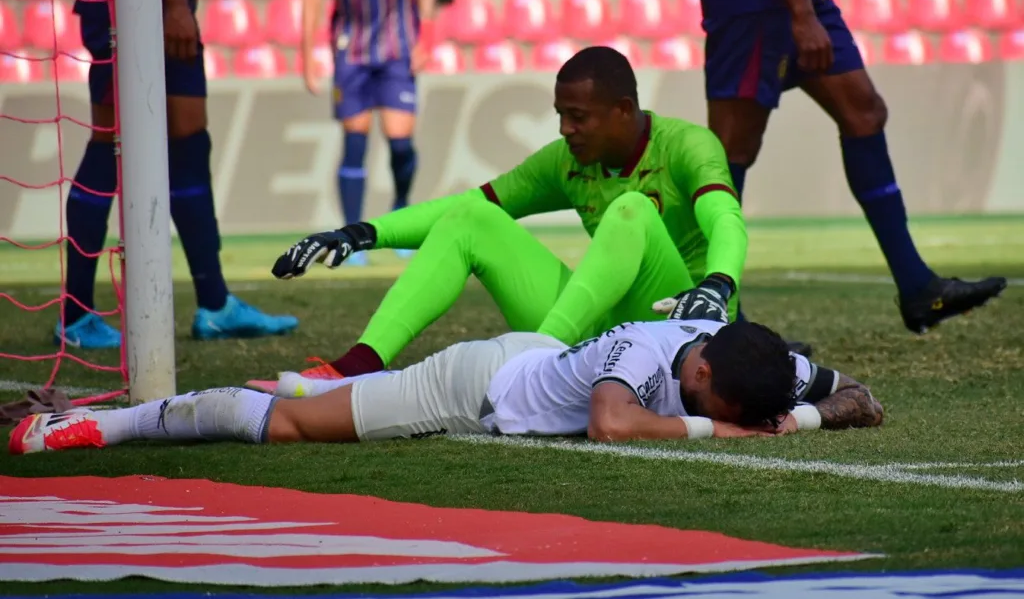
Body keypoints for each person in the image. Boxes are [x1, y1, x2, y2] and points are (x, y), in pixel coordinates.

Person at [252, 45, 808, 393]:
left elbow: (725, 217)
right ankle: (357, 367)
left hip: (685, 334)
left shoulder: (688, 145)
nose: (566, 129)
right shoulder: (567, 159)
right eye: (561, 115)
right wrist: (361, 233)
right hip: (603, 335)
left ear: (623, 110)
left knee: (631, 208)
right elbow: (464, 207)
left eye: (578, 116)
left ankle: (532, 369)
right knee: (472, 218)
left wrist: (719, 283)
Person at [697, 0, 1006, 333]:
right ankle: (720, 313)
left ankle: (916, 286)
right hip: (753, 0)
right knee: (730, 155)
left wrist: (805, 2)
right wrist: (800, 13)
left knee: (863, 111)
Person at [60, 0, 298, 348]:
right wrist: (170, 2)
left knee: (190, 138)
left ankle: (215, 305)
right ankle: (74, 314)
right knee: (110, 142)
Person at [8, 318, 883, 456]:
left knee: (306, 406)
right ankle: (99, 425)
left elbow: (850, 388)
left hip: (534, 357)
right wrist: (737, 434)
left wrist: (814, 406)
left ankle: (292, 382)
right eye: (707, 404)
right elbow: (615, 426)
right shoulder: (646, 357)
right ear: (695, 374)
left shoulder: (750, 356)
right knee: (293, 431)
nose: (706, 411)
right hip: (479, 383)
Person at [301, 0, 436, 265]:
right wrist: (307, 53)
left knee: (400, 142)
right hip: (351, 52)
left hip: (397, 49)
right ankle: (351, 237)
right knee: (354, 141)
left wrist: (426, 35)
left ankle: (400, 207)